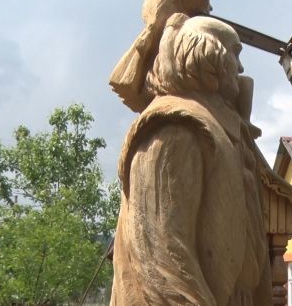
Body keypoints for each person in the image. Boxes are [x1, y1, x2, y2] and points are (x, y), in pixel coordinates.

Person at [110, 15, 272, 306]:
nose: (242, 68)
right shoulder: (175, 128)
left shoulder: (221, 129)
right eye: (236, 55)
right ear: (210, 57)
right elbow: (162, 261)